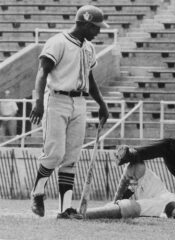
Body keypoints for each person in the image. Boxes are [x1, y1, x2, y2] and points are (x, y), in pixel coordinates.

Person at [29, 5, 109, 219]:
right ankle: (37, 192)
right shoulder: (58, 42)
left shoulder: (89, 47)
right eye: (95, 27)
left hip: (79, 102)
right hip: (56, 99)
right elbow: (42, 71)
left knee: (71, 157)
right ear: (84, 22)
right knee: (54, 153)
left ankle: (65, 209)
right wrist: (37, 101)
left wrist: (101, 103)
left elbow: (90, 79)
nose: (98, 31)